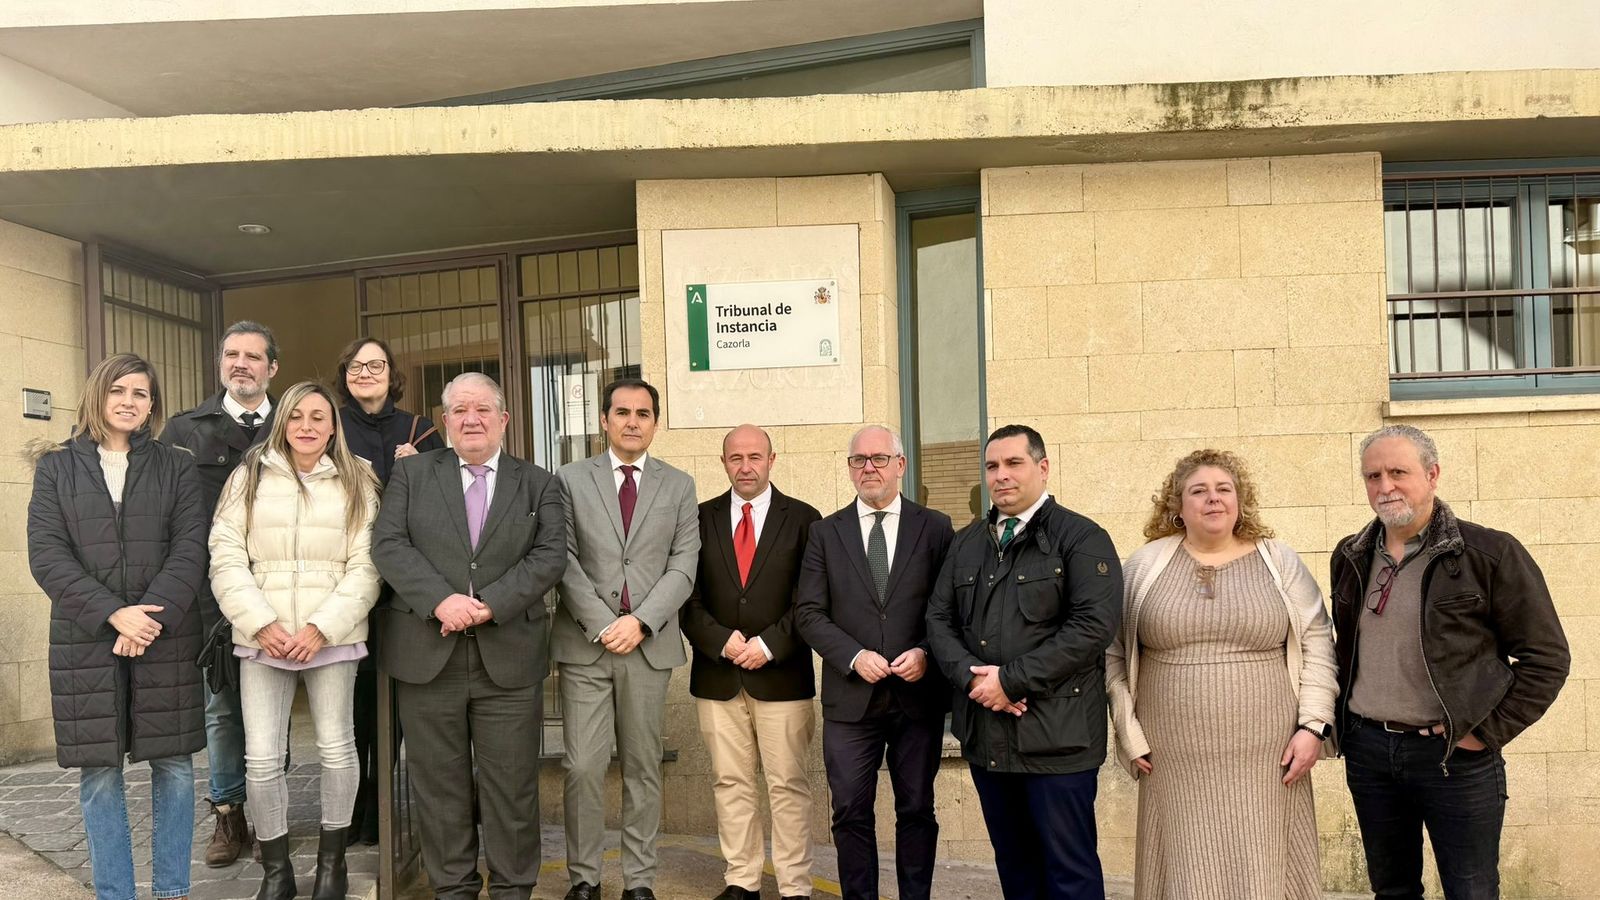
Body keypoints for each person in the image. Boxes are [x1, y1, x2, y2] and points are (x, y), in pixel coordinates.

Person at [1333, 425, 1570, 899]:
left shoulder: (1489, 553)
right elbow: (1343, 650)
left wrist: (1484, 733)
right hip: (1370, 753)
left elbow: (1547, 659)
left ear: (1432, 474)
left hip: (1454, 758)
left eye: (1398, 472)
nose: (1385, 486)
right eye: (1373, 476)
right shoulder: (1351, 555)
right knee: (1392, 890)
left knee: (1471, 890)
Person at [1104, 449, 1336, 900]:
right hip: (1172, 758)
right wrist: (1126, 730)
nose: (1213, 499)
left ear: (1239, 500)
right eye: (1199, 491)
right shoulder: (1143, 566)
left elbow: (1318, 643)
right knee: (1186, 869)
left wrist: (1313, 727)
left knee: (1266, 867)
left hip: (1270, 758)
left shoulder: (1279, 561)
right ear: (1177, 505)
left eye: (1223, 489)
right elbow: (1112, 654)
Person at [372, 372, 567, 900]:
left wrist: (490, 605)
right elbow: (388, 544)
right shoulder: (412, 475)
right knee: (439, 785)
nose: (471, 419)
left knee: (512, 784)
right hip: (427, 653)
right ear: (445, 421)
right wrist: (442, 600)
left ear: (503, 420)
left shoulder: (539, 483)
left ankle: (512, 888)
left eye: (482, 409)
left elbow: (550, 556)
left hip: (508, 657)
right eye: (459, 410)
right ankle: (453, 888)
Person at [27, 353, 209, 900]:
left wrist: (145, 620)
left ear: (152, 406)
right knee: (99, 772)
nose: (129, 402)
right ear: (97, 396)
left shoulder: (176, 465)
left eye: (141, 394)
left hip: (165, 635)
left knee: (174, 767)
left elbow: (190, 549)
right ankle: (115, 894)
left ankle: (172, 891)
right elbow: (47, 556)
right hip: (86, 639)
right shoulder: (57, 467)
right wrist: (114, 614)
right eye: (118, 390)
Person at [924, 424, 1121, 900]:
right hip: (988, 738)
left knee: (1069, 873)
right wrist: (975, 681)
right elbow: (938, 620)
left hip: (1058, 741)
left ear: (1043, 467)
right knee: (1016, 871)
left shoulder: (1081, 537)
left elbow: (1092, 628)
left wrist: (1009, 682)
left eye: (1014, 463)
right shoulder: (967, 543)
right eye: (992, 466)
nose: (1001, 475)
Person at [209, 380, 382, 900]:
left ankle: (332, 867)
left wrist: (321, 627)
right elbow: (226, 555)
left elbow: (368, 564)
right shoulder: (248, 476)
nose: (306, 426)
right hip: (263, 638)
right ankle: (276, 873)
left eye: (318, 417)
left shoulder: (358, 479)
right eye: (296, 416)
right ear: (281, 421)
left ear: (333, 427)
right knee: (261, 758)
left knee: (337, 748)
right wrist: (260, 622)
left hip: (331, 635)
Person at [553, 378, 699, 900]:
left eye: (643, 413)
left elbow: (684, 564)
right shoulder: (570, 479)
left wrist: (640, 622)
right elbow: (562, 558)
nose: (632, 421)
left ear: (655, 422)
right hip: (585, 645)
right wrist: (602, 622)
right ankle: (584, 879)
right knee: (582, 767)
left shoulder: (678, 485)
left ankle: (639, 881)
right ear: (604, 420)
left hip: (648, 645)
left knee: (643, 767)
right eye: (622, 412)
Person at [794, 425, 953, 900]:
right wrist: (854, 655)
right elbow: (808, 613)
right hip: (850, 700)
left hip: (916, 698)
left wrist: (926, 652)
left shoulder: (936, 527)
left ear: (900, 465)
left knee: (917, 810)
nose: (869, 468)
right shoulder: (825, 533)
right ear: (849, 469)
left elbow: (949, 609)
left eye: (879, 458)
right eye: (859, 460)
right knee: (849, 812)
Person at [680, 425, 822, 900]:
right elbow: (686, 596)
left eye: (755, 457)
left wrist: (768, 644)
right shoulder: (698, 518)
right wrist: (722, 642)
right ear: (723, 463)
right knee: (730, 782)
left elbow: (812, 600)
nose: (746, 466)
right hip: (718, 675)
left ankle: (795, 886)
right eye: (736, 458)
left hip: (783, 676)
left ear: (771, 460)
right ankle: (742, 880)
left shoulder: (803, 519)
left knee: (788, 785)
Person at [160, 319, 280, 866]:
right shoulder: (184, 430)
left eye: (253, 357)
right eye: (232, 355)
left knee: (279, 703)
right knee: (223, 707)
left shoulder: (296, 422)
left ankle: (274, 814)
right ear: (220, 363)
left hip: (285, 587)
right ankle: (229, 814)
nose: (241, 364)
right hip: (214, 594)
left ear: (272, 367)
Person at [334, 336, 446, 845]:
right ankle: (354, 801)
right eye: (356, 366)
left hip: (402, 586)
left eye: (375, 365)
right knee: (352, 698)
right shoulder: (331, 425)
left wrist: (418, 467)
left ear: (391, 373)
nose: (366, 373)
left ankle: (381, 798)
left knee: (393, 701)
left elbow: (444, 500)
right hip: (346, 578)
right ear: (345, 374)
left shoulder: (421, 430)